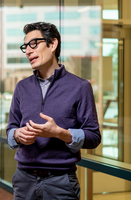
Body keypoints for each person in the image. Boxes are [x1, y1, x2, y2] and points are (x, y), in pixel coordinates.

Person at [6, 22, 101, 200]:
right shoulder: (21, 87)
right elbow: (10, 130)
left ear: (53, 44)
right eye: (25, 47)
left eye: (33, 44)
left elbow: (94, 137)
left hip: (61, 182)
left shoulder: (80, 87)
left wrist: (60, 134)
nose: (28, 51)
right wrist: (18, 134)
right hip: (24, 180)